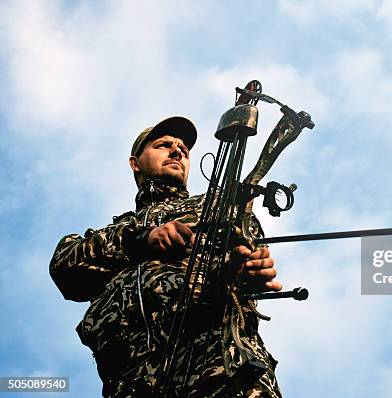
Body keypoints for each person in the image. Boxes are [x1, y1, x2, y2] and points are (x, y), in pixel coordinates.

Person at [49, 116, 283, 397]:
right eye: (163, 145)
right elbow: (65, 266)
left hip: (221, 367)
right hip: (132, 383)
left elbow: (246, 253)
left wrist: (251, 270)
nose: (177, 151)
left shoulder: (216, 206)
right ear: (135, 163)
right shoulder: (116, 231)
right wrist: (143, 240)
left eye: (183, 150)